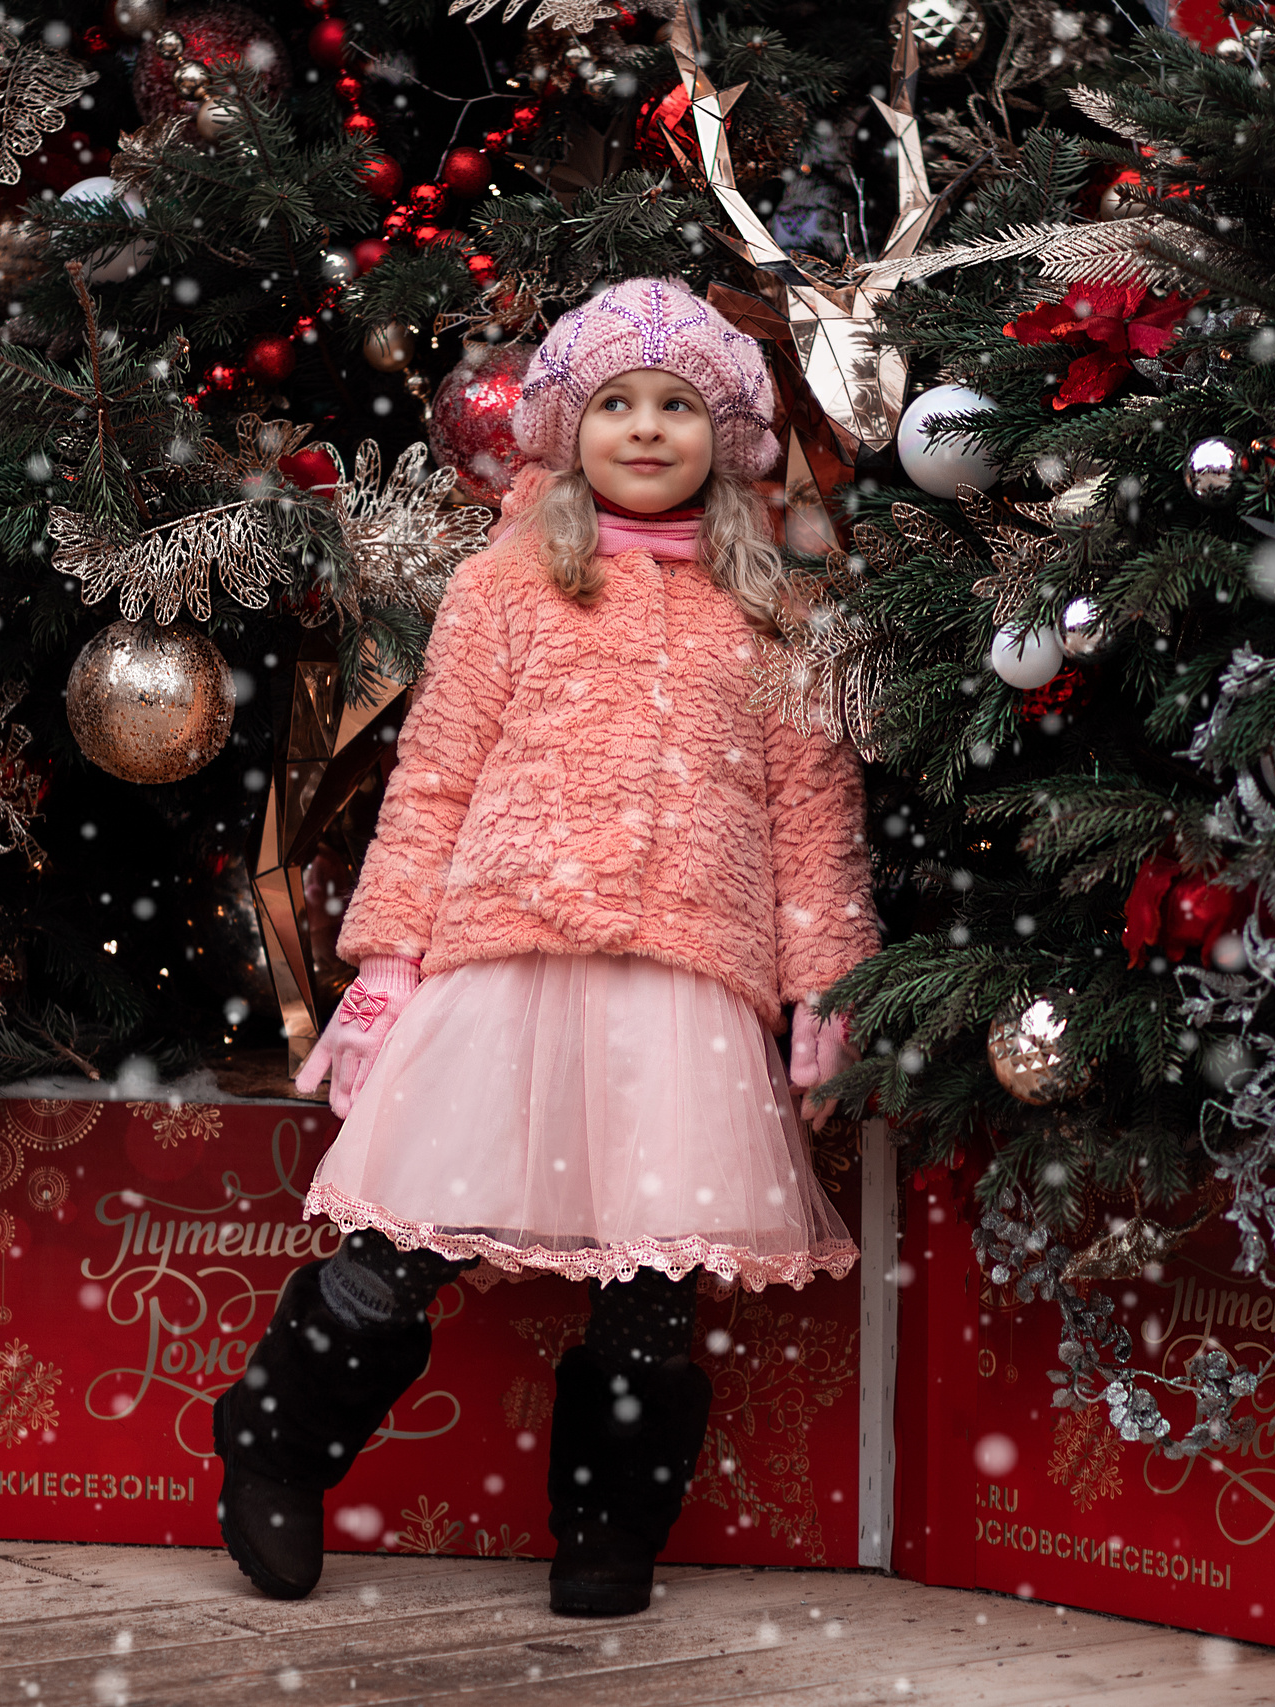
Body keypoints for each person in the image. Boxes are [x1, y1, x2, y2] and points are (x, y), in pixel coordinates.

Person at [212, 276, 878, 1617]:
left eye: (677, 406)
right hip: (505, 961)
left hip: (689, 977)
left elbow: (815, 809)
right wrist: (387, 961)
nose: (645, 429)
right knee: (405, 1245)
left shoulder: (778, 608)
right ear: (567, 427)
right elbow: (434, 781)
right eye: (617, 405)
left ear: (730, 435)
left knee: (652, 1279)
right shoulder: (503, 584)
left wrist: (829, 976)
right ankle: (274, 1444)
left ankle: (608, 1531)